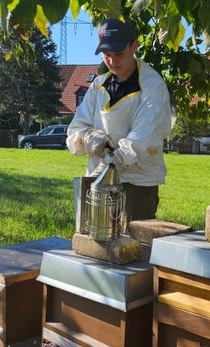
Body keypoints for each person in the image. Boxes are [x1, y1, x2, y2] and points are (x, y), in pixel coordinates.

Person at [66, 18, 174, 221]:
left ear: (134, 46)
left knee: (134, 238)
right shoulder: (98, 85)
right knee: (94, 236)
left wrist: (112, 161)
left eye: (119, 54)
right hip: (98, 182)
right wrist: (89, 138)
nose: (112, 61)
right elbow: (75, 130)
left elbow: (143, 136)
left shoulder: (153, 86)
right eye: (107, 55)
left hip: (137, 185)